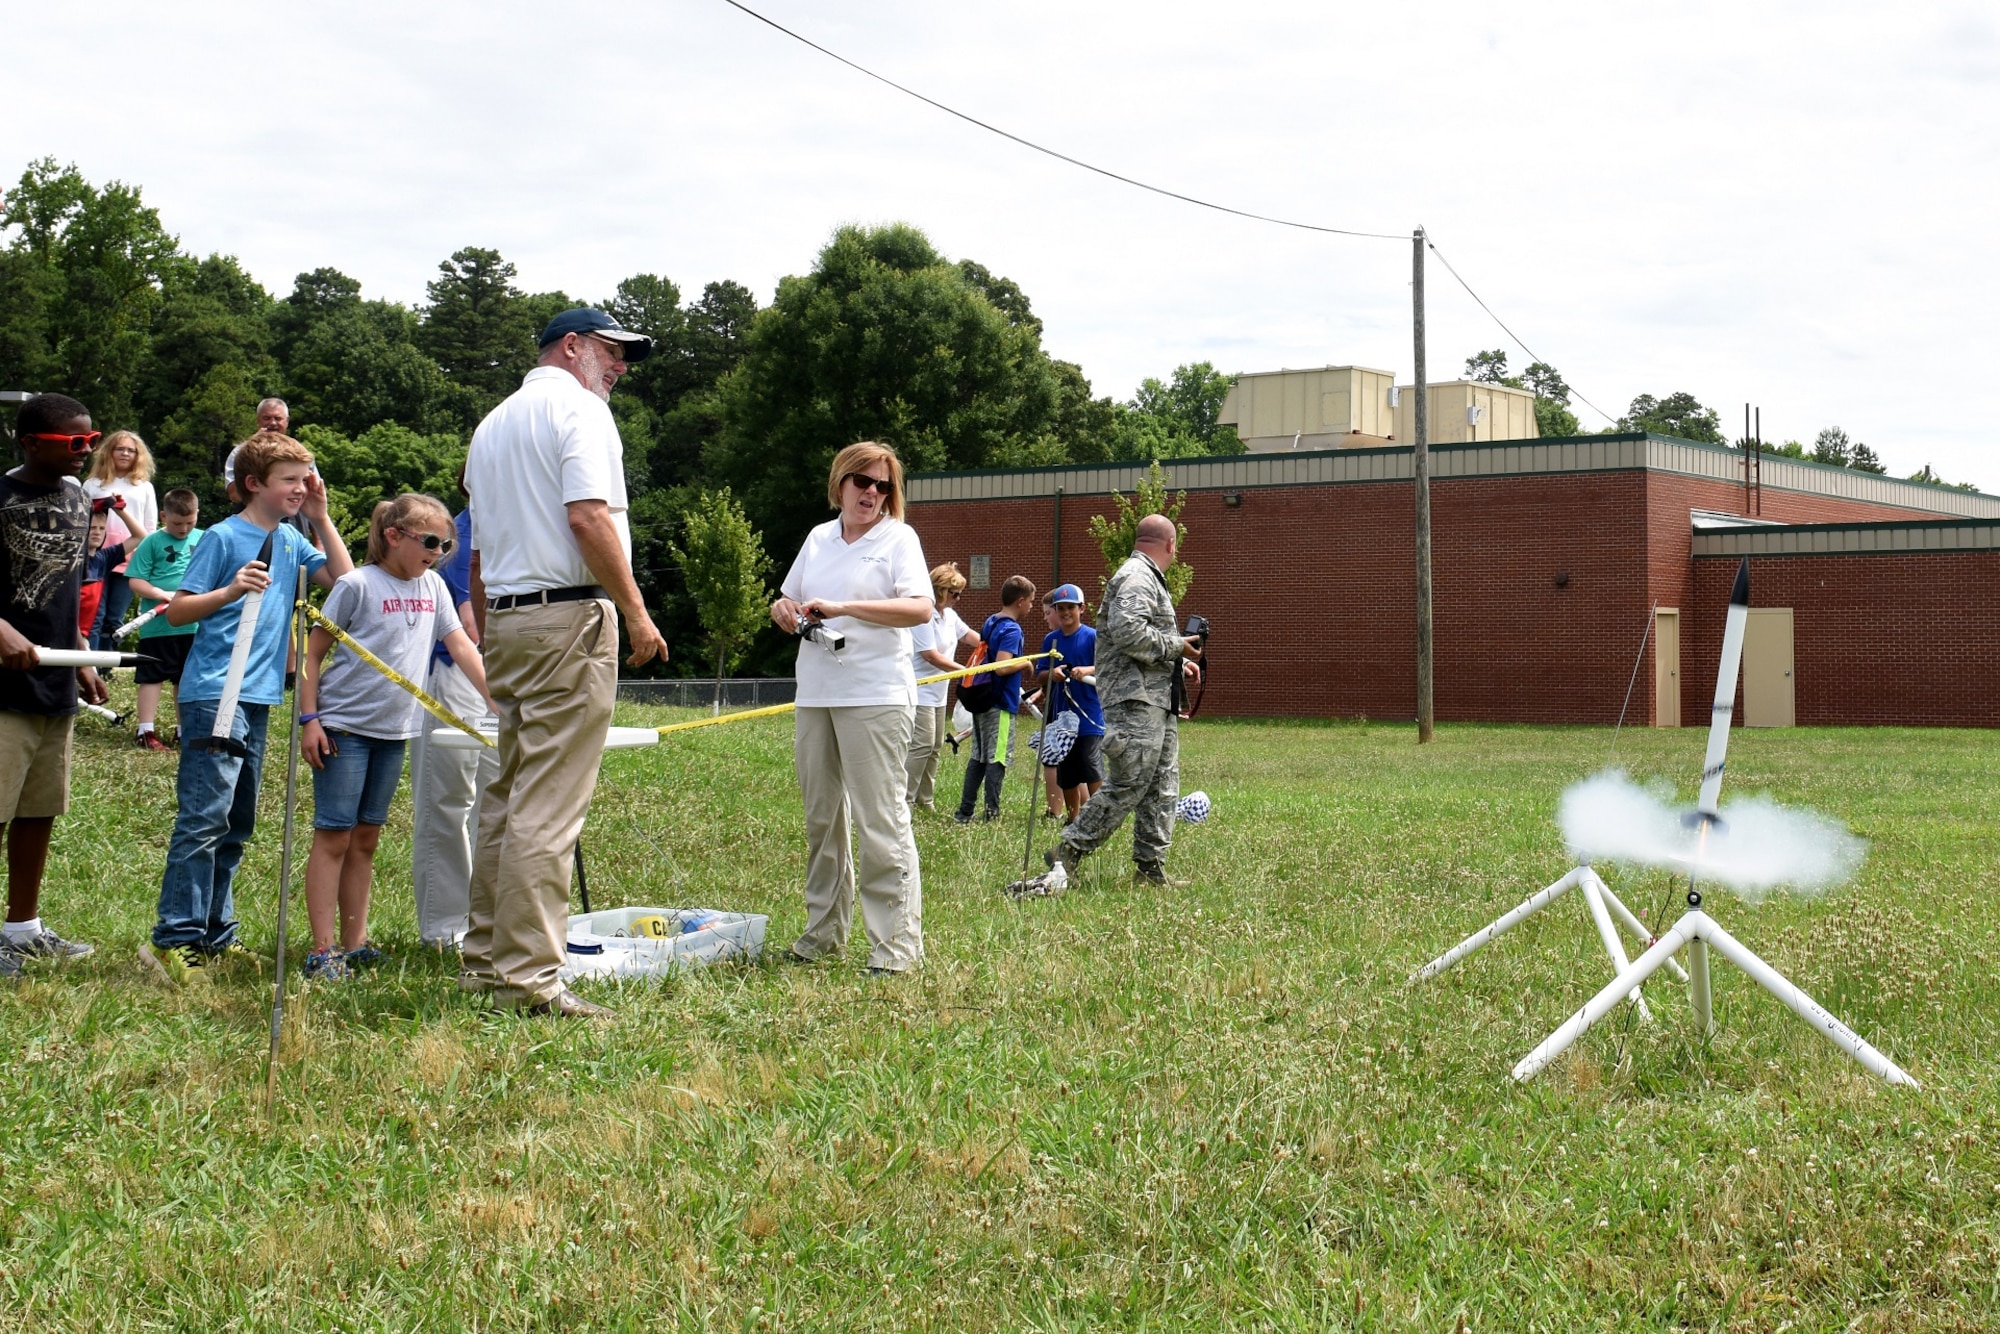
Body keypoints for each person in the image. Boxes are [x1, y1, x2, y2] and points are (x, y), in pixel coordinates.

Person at [464, 307, 668, 1019]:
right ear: (573, 347)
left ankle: (487, 960)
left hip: (514, 622)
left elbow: (481, 556)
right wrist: (636, 612)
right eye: (613, 352)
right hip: (571, 617)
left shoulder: (490, 427)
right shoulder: (580, 413)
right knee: (546, 809)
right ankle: (529, 980)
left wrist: (492, 636)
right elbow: (588, 518)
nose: (620, 368)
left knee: (509, 796)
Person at [141, 432, 352, 985]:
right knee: (204, 817)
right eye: (291, 480)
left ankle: (216, 933)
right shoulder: (222, 536)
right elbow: (180, 611)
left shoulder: (288, 539)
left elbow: (344, 580)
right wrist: (231, 591)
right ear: (254, 485)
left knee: (237, 821)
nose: (301, 488)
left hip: (259, 694)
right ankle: (175, 938)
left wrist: (322, 516)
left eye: (307, 479)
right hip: (216, 690)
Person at [298, 494, 489, 981]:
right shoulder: (357, 586)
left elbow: (461, 647)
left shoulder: (434, 587)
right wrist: (310, 720)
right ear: (393, 536)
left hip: (395, 731)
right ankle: (323, 951)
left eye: (446, 544)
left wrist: (496, 700)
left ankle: (354, 943)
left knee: (366, 838)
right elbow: (311, 654)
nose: (438, 551)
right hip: (344, 728)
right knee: (334, 836)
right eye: (429, 541)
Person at [770, 441, 932, 974]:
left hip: (877, 695)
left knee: (880, 819)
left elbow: (918, 608)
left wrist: (843, 608)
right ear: (840, 482)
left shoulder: (899, 538)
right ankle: (823, 933)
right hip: (816, 693)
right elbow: (789, 598)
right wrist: (784, 609)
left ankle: (895, 948)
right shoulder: (818, 538)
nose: (872, 493)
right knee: (822, 820)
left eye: (883, 486)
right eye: (862, 481)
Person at [0, 393, 109, 975]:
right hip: (4, 689)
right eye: (74, 442)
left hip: (53, 679)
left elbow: (66, 595)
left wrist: (82, 658)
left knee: (39, 809)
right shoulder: (2, 496)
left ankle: (21, 928)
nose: (85, 451)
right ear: (30, 442)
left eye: (90, 441)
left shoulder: (77, 497)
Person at [1045, 515, 1202, 888]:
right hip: (1134, 701)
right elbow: (1128, 630)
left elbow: (1134, 641)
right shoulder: (1136, 576)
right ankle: (1067, 852)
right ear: (1170, 545)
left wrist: (1177, 664)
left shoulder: (1146, 577)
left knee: (1162, 784)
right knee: (1130, 781)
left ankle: (1150, 869)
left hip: (1153, 698)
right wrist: (1175, 645)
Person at [407, 484, 489, 948]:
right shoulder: (459, 535)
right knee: (447, 801)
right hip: (452, 675)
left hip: (496, 680)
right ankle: (445, 929)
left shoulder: (510, 525)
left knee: (496, 804)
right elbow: (467, 623)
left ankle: (490, 925)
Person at [124, 488, 204, 750]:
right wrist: (161, 594)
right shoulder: (151, 542)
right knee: (152, 676)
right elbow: (135, 580)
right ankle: (145, 731)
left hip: (194, 624)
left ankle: (184, 731)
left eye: (189, 523)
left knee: (186, 678)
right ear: (163, 516)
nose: (183, 529)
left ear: (197, 515)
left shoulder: (205, 539)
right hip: (158, 627)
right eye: (177, 523)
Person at [954, 575, 1037, 824]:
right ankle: (992, 814)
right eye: (1031, 602)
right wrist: (1025, 663)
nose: (1032, 606)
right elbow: (1001, 667)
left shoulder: (992, 621)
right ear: (1020, 601)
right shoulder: (1012, 628)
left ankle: (965, 812)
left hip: (982, 698)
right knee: (996, 758)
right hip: (999, 702)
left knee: (978, 756)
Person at [903, 561, 976, 813]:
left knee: (934, 747)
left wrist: (996, 642)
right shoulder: (924, 616)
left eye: (960, 594)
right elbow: (931, 656)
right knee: (921, 745)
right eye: (954, 593)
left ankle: (926, 800)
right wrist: (967, 672)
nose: (958, 598)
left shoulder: (949, 616)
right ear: (940, 590)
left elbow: (971, 638)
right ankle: (906, 801)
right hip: (919, 689)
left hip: (938, 692)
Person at [82, 430, 158, 650]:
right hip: (96, 558)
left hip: (129, 559)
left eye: (131, 450)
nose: (125, 454)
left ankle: (107, 665)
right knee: (95, 614)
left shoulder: (144, 487)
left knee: (115, 617)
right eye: (120, 449)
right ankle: (91, 662)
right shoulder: (92, 484)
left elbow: (149, 528)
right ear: (109, 452)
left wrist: (146, 562)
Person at [1038, 583, 1106, 824]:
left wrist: (1087, 669)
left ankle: (1099, 816)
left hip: (1089, 714)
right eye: (1061, 608)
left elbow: (1108, 667)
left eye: (1070, 608)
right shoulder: (1051, 640)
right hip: (1063, 717)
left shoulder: (1092, 637)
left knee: (1090, 762)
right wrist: (1052, 673)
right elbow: (1041, 673)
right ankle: (1074, 817)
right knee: (1066, 769)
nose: (1066, 613)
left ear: (1082, 609)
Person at [76, 499, 147, 640]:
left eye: (102, 528)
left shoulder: (104, 558)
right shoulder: (72, 559)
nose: (97, 532)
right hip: (71, 632)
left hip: (90, 636)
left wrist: (119, 510)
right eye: (92, 528)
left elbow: (140, 535)